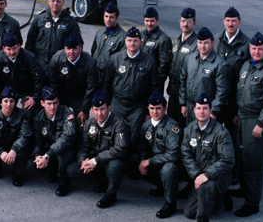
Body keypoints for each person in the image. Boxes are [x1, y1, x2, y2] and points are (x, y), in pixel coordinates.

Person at [232, 32, 263, 218]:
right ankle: (245, 191)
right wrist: (238, 113)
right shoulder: (247, 65)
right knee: (243, 157)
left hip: (256, 120)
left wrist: (261, 124)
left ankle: (252, 203)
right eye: (253, 48)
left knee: (254, 162)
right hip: (243, 118)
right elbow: (241, 91)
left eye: (260, 49)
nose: (256, 51)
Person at [71, 90, 129, 209]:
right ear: (91, 110)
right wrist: (83, 162)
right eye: (96, 110)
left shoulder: (119, 124)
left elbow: (120, 149)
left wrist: (95, 160)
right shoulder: (89, 123)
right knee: (72, 170)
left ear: (109, 108)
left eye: (102, 109)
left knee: (114, 166)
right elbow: (83, 147)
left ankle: (111, 194)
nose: (99, 113)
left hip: (112, 160)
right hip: (96, 161)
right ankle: (102, 180)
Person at [103, 27, 159, 149]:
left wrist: (149, 110)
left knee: (134, 138)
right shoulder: (115, 59)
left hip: (138, 106)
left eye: (135, 40)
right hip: (117, 103)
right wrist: (107, 104)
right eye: (129, 40)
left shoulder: (149, 62)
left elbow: (154, 88)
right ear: (125, 41)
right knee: (113, 134)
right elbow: (106, 83)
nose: (132, 43)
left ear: (141, 42)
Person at [181, 93, 234, 222]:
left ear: (210, 111)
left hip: (219, 176)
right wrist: (198, 174)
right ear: (194, 110)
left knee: (205, 189)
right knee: (189, 213)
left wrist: (208, 175)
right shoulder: (189, 130)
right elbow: (186, 155)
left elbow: (228, 160)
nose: (201, 111)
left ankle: (202, 218)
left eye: (205, 108)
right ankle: (219, 198)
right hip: (200, 175)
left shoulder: (221, 133)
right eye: (198, 108)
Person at [213, 7, 250, 183]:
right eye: (227, 20)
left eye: (234, 21)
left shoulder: (247, 45)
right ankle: (214, 166)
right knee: (213, 135)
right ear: (224, 22)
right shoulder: (217, 40)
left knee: (233, 138)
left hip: (234, 101)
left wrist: (237, 110)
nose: (230, 24)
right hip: (217, 99)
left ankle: (233, 171)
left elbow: (246, 82)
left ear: (239, 22)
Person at [136, 91, 182, 219]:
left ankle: (170, 203)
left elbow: (174, 155)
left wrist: (149, 161)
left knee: (168, 169)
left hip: (171, 165)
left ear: (165, 109)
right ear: (148, 108)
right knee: (132, 160)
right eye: (152, 108)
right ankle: (160, 186)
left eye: (158, 108)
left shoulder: (172, 127)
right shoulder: (146, 126)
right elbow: (142, 147)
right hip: (155, 163)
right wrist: (142, 161)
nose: (154, 112)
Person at [0, 86, 33, 187]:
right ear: (0, 103)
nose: (8, 104)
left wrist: (14, 149)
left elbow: (26, 135)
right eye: (5, 101)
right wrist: (0, 153)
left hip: (14, 146)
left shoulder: (22, 115)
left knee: (27, 148)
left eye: (11, 101)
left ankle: (16, 173)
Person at [179, 27, 230, 125]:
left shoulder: (220, 65)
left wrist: (213, 111)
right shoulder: (189, 59)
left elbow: (222, 91)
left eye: (206, 43)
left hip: (207, 111)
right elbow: (182, 81)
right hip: (190, 108)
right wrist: (183, 103)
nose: (203, 46)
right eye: (200, 42)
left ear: (213, 43)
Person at [32, 86, 78, 196]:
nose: (52, 107)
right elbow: (38, 141)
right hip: (51, 148)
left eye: (55, 103)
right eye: (49, 103)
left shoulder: (67, 114)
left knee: (62, 157)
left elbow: (67, 138)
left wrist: (47, 155)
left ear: (58, 102)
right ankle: (53, 169)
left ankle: (64, 180)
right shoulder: (38, 118)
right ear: (42, 103)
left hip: (67, 149)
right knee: (35, 165)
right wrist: (38, 156)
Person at [47, 32, 99, 126]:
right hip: (61, 95)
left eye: (75, 48)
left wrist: (85, 109)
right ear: (64, 48)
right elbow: (53, 83)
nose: (71, 52)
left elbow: (91, 88)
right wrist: (56, 103)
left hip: (79, 97)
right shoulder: (56, 59)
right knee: (57, 120)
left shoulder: (89, 63)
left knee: (81, 122)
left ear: (80, 49)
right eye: (68, 48)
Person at [26, 0, 81, 72]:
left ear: (63, 2)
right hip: (39, 65)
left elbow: (78, 46)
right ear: (48, 1)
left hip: (60, 65)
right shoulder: (39, 19)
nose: (55, 4)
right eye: (53, 1)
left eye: (58, 1)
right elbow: (29, 42)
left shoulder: (71, 23)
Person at [0, 33, 44, 117]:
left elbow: (39, 78)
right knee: (3, 114)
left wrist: (35, 98)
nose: (12, 52)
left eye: (14, 48)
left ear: (18, 46)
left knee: (28, 114)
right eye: (9, 49)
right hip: (8, 90)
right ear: (3, 48)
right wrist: (0, 93)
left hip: (27, 90)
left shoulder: (30, 58)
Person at [168, 7, 198, 126]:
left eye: (189, 21)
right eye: (183, 20)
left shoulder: (196, 44)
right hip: (173, 88)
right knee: (171, 121)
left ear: (194, 23)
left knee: (182, 123)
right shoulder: (176, 40)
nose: (185, 24)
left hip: (185, 91)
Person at [141, 7, 173, 93]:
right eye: (147, 21)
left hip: (154, 83)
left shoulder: (163, 39)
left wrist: (156, 81)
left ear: (157, 20)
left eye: (152, 21)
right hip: (140, 80)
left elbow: (164, 63)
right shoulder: (141, 35)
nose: (149, 23)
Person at [91, 2, 125, 80]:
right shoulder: (100, 33)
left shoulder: (122, 37)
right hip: (95, 74)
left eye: (111, 17)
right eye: (106, 16)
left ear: (117, 18)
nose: (108, 20)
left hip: (109, 77)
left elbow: (122, 61)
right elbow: (93, 50)